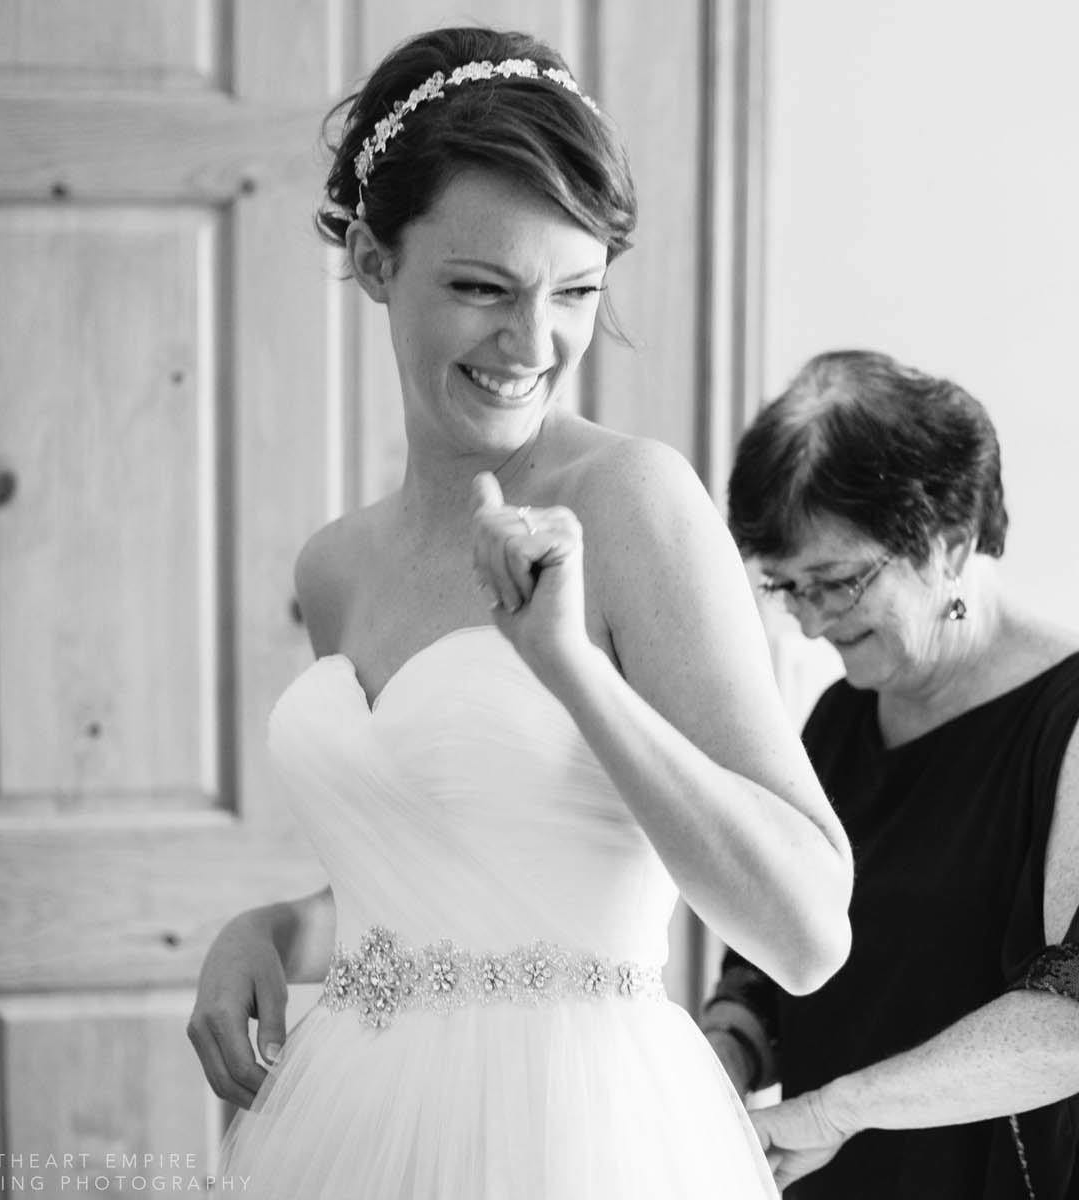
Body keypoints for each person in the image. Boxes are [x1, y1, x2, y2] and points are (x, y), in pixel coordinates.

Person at [185, 28, 854, 1199]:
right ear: (373, 258)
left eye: (578, 290)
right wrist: (278, 932)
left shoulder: (632, 503)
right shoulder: (334, 567)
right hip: (347, 1125)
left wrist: (572, 670)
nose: (534, 343)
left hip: (578, 1136)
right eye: (483, 288)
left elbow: (805, 931)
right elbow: (459, 875)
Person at [700, 350, 1079, 1198]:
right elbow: (773, 955)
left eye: (837, 581)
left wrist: (839, 1109)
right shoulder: (838, 722)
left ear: (950, 541)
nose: (810, 621)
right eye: (786, 587)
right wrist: (726, 1049)